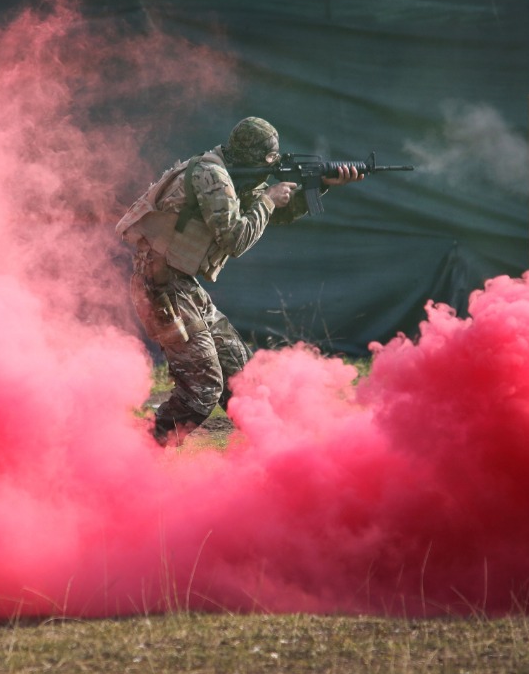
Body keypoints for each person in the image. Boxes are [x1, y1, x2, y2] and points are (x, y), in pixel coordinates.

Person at [116, 117, 364, 446]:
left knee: (242, 378)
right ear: (250, 157)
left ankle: (277, 456)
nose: (271, 166)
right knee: (203, 390)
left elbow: (277, 214)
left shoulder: (232, 171)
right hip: (161, 287)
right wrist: (267, 199)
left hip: (181, 284)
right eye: (267, 161)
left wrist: (323, 185)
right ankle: (137, 453)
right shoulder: (213, 176)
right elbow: (236, 239)